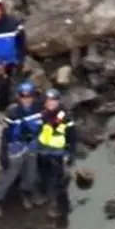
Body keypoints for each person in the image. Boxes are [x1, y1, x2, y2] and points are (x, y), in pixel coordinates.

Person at [0, 82, 43, 217]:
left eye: (29, 96)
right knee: (9, 175)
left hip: (31, 146)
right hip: (15, 147)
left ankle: (25, 193)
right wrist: (3, 153)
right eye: (23, 96)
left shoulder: (38, 109)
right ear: (18, 97)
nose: (26, 99)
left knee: (31, 174)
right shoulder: (13, 112)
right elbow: (5, 133)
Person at [36, 88, 77, 219]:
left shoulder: (66, 117)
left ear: (58, 102)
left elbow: (72, 136)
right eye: (48, 102)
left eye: (53, 101)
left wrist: (71, 153)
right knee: (43, 175)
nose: (51, 104)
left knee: (58, 180)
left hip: (58, 154)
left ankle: (58, 206)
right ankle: (43, 194)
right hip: (42, 153)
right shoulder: (40, 116)